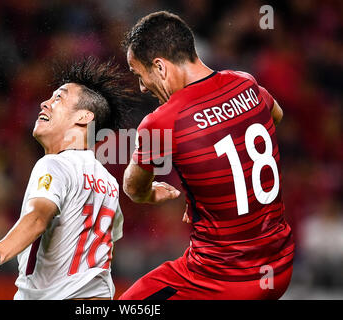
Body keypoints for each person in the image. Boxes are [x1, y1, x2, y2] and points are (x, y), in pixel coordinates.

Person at [120, 11, 294, 300]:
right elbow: (276, 115)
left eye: (139, 74)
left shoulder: (162, 120)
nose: (141, 87)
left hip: (222, 279)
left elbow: (133, 188)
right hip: (281, 269)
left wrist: (150, 194)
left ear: (160, 67)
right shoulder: (246, 84)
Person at [0, 57, 139, 300]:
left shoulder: (55, 164)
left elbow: (38, 217)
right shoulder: (109, 183)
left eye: (58, 98)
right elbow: (109, 238)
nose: (45, 103)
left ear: (83, 117)